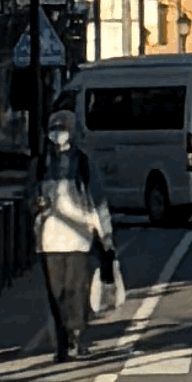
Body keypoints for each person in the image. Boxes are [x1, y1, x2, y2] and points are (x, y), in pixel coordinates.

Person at [33, 118, 118, 361]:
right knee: (56, 293)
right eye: (53, 130)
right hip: (48, 240)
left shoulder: (83, 162)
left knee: (76, 291)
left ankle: (78, 336)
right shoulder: (41, 163)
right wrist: (35, 205)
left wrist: (106, 236)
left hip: (79, 238)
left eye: (62, 130)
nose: (57, 135)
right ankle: (61, 343)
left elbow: (98, 201)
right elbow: (30, 196)